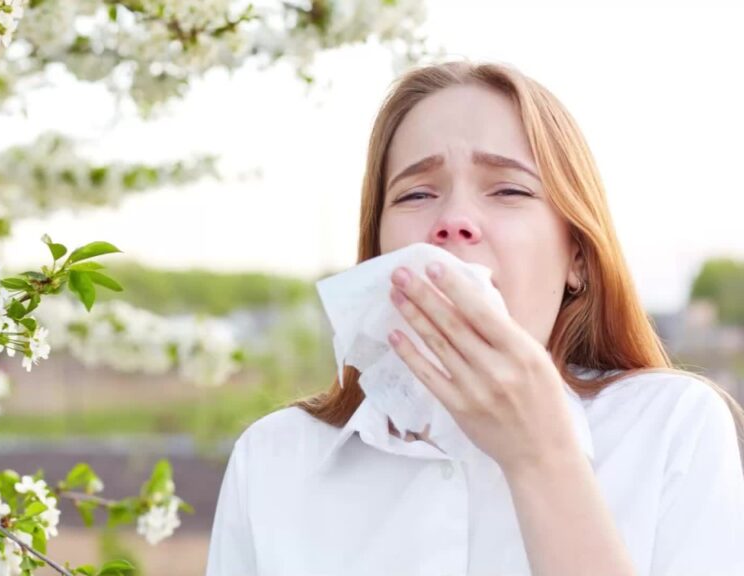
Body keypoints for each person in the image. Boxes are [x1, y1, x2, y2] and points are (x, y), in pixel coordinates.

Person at [204, 60, 744, 576]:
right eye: (416, 193)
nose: (455, 221)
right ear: (378, 255)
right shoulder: (273, 458)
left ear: (577, 257)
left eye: (509, 190)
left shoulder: (674, 427)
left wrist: (541, 457)